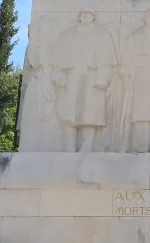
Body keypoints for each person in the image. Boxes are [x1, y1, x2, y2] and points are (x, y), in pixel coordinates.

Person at [50, 10, 118, 152]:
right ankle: (69, 145)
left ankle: (87, 144)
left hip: (93, 75)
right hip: (72, 74)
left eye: (89, 13)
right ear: (79, 16)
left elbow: (106, 61)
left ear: (94, 16)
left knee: (91, 111)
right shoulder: (68, 34)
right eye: (83, 13)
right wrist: (59, 77)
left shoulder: (101, 34)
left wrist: (104, 78)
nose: (86, 15)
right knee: (69, 111)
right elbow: (58, 61)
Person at [122, 10, 150, 152]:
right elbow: (127, 56)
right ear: (144, 20)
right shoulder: (136, 35)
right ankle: (142, 144)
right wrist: (126, 73)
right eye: (149, 17)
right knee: (141, 111)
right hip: (141, 74)